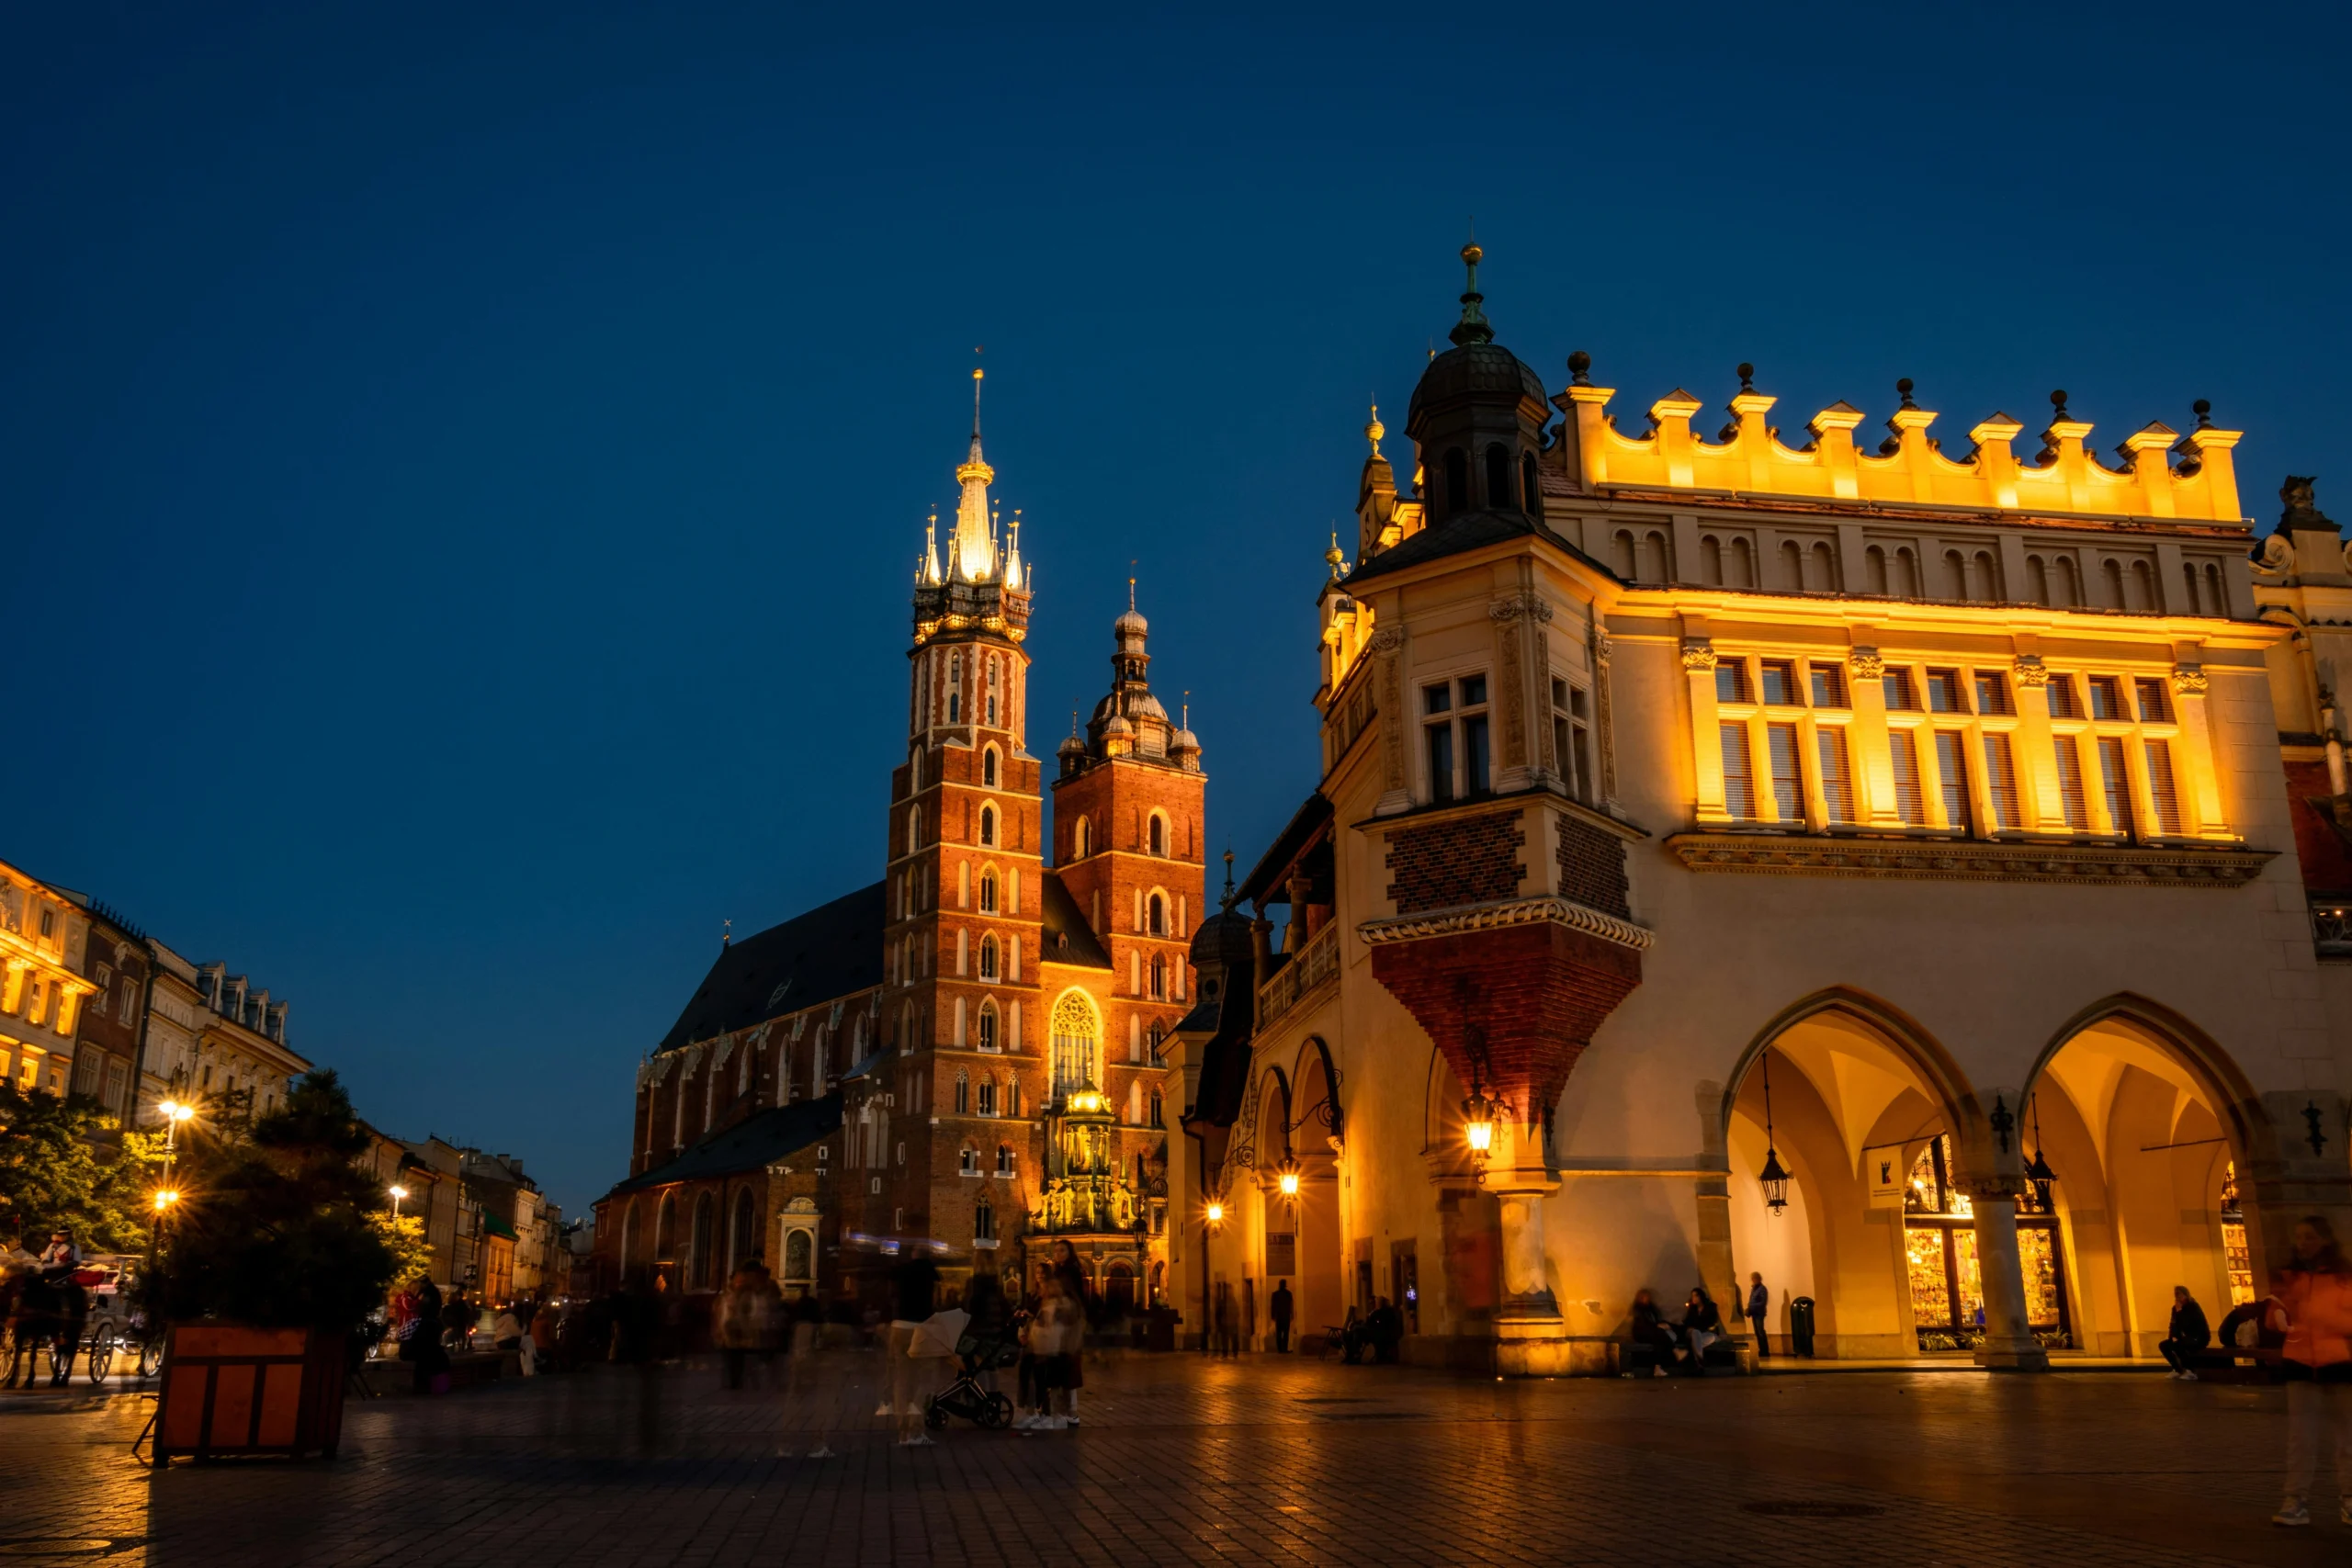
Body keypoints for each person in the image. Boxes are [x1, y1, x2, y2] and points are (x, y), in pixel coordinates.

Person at [2269, 1216, 2352, 1528]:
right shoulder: (2289, 1277)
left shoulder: (2344, 1276)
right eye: (2299, 1236)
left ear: (2325, 1240)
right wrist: (2277, 1315)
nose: (2302, 1243)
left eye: (2309, 1236)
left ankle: (2350, 1498)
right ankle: (2295, 1499)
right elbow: (2275, 1314)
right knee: (2300, 1438)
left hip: (2340, 1362)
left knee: (2348, 1436)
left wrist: (2323, 1318)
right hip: (2300, 1361)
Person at [887, 1247, 941, 1447]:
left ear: (912, 1255)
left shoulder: (901, 1270)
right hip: (921, 1327)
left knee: (902, 1380)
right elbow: (937, 1301)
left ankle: (903, 1431)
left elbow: (891, 1294)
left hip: (899, 1327)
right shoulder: (930, 1272)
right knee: (925, 1379)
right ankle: (916, 1429)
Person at [2157, 1285, 2211, 1381]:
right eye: (2176, 1295)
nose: (2178, 1297)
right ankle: (2178, 1369)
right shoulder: (2176, 1309)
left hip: (2198, 1337)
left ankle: (2190, 1371)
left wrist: (2179, 1312)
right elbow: (2173, 1324)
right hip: (2186, 1337)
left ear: (2186, 1295)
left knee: (2178, 1345)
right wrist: (2172, 1337)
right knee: (2164, 1345)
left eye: (2179, 1294)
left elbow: (2187, 1324)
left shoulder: (2193, 1306)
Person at [1630, 1290, 1677, 1377]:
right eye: (1646, 1297)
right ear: (1641, 1298)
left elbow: (1656, 1320)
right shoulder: (1638, 1309)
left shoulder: (1651, 1308)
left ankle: (1658, 1367)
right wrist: (1657, 1326)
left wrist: (1663, 1325)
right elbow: (1643, 1324)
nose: (1648, 1298)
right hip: (1641, 1333)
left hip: (1652, 1332)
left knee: (1659, 1340)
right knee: (1659, 1334)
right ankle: (1675, 1351)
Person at [1679, 1286, 1724, 1374]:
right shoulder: (1692, 1309)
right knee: (1696, 1333)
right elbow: (1687, 1322)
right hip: (1696, 1334)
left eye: (1696, 1296)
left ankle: (1698, 1363)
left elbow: (1712, 1322)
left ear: (1701, 1296)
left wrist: (1697, 1327)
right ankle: (1700, 1362)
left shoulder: (1711, 1307)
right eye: (1692, 1296)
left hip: (1708, 1333)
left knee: (1696, 1340)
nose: (1694, 1298)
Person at [1746, 1272, 1771, 1359]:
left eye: (1754, 1278)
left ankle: (1765, 1350)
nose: (1753, 1280)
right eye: (1752, 1279)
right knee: (1757, 1332)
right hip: (1754, 1313)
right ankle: (1761, 1349)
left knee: (1760, 1331)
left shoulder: (1762, 1289)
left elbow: (1763, 1302)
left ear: (1758, 1279)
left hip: (1759, 1313)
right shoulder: (1754, 1289)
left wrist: (1752, 1306)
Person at [1270, 1280, 1295, 1354]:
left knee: (1279, 1333)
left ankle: (1280, 1349)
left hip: (1279, 1316)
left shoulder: (1275, 1294)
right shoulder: (1288, 1294)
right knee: (1286, 1333)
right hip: (1286, 1316)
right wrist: (1292, 1314)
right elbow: (1290, 1305)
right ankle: (1284, 1348)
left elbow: (1273, 1306)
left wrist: (1273, 1315)